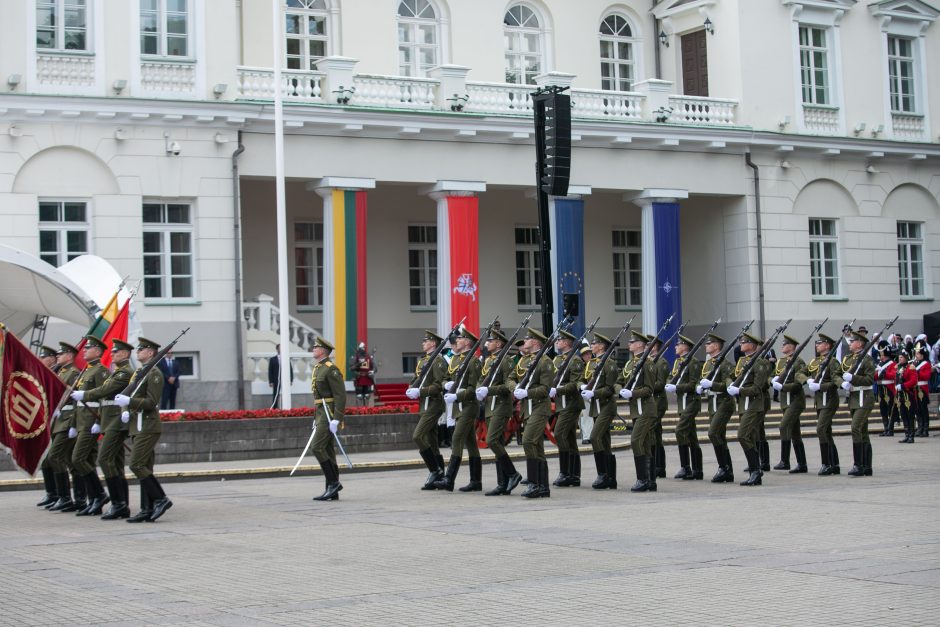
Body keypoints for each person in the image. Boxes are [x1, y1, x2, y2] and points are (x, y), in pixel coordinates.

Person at [115, 337, 171, 522]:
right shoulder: (139, 372)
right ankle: (146, 509)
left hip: (147, 425)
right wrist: (125, 408)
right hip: (136, 425)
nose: (138, 352)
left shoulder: (154, 373)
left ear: (150, 353)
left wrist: (129, 402)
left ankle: (161, 499)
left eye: (141, 349)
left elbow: (151, 402)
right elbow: (129, 394)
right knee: (144, 467)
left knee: (136, 465)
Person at [80, 339, 135, 519]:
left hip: (116, 421)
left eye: (115, 352)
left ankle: (118, 503)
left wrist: (85, 395)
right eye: (111, 352)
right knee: (116, 463)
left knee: (105, 459)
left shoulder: (125, 373)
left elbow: (105, 390)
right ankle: (122, 505)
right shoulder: (116, 372)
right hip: (108, 419)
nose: (111, 354)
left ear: (125, 354)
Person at [476, 328, 523, 495]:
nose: (487, 343)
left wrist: (489, 390)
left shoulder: (507, 361)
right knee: (498, 443)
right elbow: (481, 380)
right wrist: (479, 390)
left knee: (492, 440)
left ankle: (513, 474)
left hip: (501, 406)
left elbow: (507, 386)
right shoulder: (488, 361)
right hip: (489, 407)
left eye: (490, 341)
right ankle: (502, 484)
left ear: (499, 343)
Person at [436, 327, 484, 492]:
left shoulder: (474, 361)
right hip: (458, 408)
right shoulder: (456, 359)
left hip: (469, 407)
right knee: (471, 443)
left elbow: (473, 388)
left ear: (468, 342)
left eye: (461, 338)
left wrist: (457, 396)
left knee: (456, 439)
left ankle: (449, 479)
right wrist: (446, 385)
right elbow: (446, 379)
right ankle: (476, 481)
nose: (458, 340)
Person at [69, 336, 111, 516]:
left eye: (89, 348)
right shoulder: (86, 371)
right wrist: (72, 424)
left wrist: (98, 421)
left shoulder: (101, 371)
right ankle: (94, 499)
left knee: (77, 459)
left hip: (90, 422)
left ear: (98, 351)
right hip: (80, 421)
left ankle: (100, 494)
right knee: (85, 461)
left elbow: (104, 397)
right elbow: (77, 404)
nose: (84, 350)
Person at [511, 328, 555, 498]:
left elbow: (545, 389)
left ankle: (534, 483)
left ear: (536, 342)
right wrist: (514, 387)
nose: (525, 341)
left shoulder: (545, 362)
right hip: (526, 409)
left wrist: (527, 393)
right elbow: (510, 377)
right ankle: (543, 487)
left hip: (539, 407)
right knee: (537, 446)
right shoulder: (524, 361)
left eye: (528, 339)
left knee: (528, 441)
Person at [617, 330, 661, 492]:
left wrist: (632, 393)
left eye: (632, 342)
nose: (629, 344)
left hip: (646, 409)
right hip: (636, 410)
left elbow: (649, 389)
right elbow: (619, 381)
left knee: (636, 440)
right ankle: (650, 481)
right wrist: (619, 389)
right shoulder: (630, 363)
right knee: (645, 443)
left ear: (641, 345)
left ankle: (642, 479)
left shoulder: (648, 363)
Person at [47, 342, 86, 512]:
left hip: (68, 419)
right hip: (59, 419)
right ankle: (70, 498)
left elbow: (71, 400)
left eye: (61, 354)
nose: (58, 357)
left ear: (70, 356)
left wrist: (72, 424)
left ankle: (68, 497)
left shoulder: (73, 373)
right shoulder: (62, 372)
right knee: (69, 460)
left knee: (55, 457)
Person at [406, 330, 447, 489]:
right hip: (424, 404)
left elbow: (438, 385)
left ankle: (434, 470)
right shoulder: (423, 361)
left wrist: (420, 391)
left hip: (434, 404)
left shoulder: (438, 361)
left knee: (418, 436)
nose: (423, 343)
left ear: (433, 343)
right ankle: (440, 477)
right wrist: (411, 387)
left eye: (426, 341)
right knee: (431, 441)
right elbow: (417, 379)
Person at [309, 337, 347, 501]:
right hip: (320, 412)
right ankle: (332, 490)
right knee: (329, 451)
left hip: (328, 413)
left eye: (316, 347)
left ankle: (333, 483)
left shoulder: (331, 369)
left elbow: (340, 395)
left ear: (323, 351)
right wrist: (315, 418)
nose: (313, 348)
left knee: (316, 447)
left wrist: (337, 418)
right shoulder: (318, 368)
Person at [580, 333, 619, 489]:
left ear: (602, 346)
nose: (592, 346)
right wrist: (582, 386)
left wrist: (594, 393)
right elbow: (585, 379)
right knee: (604, 440)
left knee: (595, 436)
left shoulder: (609, 364)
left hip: (607, 406)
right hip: (596, 406)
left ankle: (602, 474)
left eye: (595, 343)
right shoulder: (592, 363)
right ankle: (611, 478)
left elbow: (610, 389)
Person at [549, 329, 586, 487]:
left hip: (571, 404)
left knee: (559, 433)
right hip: (560, 404)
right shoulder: (557, 359)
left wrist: (558, 389)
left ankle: (565, 472)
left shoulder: (575, 360)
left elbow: (574, 384)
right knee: (570, 439)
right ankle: (574, 475)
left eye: (560, 340)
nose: (557, 342)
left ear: (567, 342)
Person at [664, 334, 703, 480]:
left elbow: (692, 384)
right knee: (691, 436)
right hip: (683, 403)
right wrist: (670, 384)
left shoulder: (692, 362)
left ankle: (686, 467)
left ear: (685, 346)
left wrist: (676, 387)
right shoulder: (678, 362)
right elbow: (672, 376)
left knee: (680, 431)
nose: (676, 347)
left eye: (678, 344)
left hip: (692, 402)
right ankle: (697, 470)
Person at [699, 333, 735, 483]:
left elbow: (727, 386)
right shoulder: (708, 364)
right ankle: (728, 470)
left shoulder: (726, 364)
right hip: (712, 403)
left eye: (709, 344)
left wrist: (711, 385)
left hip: (724, 403)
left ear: (716, 346)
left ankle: (723, 467)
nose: (706, 346)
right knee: (720, 436)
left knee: (713, 433)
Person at [805, 333, 843, 475]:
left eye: (820, 343)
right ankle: (835, 464)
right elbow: (801, 373)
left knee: (820, 429)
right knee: (826, 431)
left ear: (827, 345)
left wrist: (820, 386)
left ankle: (826, 463)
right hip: (820, 401)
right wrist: (807, 380)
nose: (817, 345)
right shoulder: (815, 361)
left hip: (830, 400)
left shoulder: (833, 362)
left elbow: (834, 382)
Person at [840, 330, 876, 476]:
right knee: (863, 432)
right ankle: (867, 466)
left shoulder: (866, 359)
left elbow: (869, 380)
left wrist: (853, 378)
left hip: (865, 397)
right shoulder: (850, 358)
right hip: (854, 398)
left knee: (855, 428)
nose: (850, 343)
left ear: (860, 343)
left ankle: (858, 465)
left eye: (853, 341)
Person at [771, 335, 808, 473]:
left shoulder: (798, 362)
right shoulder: (780, 362)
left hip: (795, 401)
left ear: (792, 346)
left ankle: (784, 461)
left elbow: (798, 385)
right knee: (795, 433)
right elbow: (773, 375)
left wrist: (783, 387)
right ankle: (802, 464)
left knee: (783, 426)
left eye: (785, 344)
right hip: (785, 402)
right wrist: (772, 380)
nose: (782, 346)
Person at [35, 345, 61, 507]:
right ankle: (51, 493)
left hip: (59, 420)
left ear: (51, 359)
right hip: (46, 420)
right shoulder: (44, 374)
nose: (41, 360)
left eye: (44, 357)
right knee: (45, 458)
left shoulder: (59, 373)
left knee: (55, 458)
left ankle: (61, 495)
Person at [647, 336, 670, 478]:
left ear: (656, 346)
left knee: (652, 432)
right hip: (652, 402)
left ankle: (657, 465)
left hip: (659, 402)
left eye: (649, 344)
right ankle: (659, 467)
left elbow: (660, 384)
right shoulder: (649, 361)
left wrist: (645, 386)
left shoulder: (661, 362)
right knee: (656, 434)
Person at [895, 350, 918, 443]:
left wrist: (903, 386)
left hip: (908, 394)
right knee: (903, 415)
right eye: (899, 357)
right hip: (901, 394)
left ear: (906, 358)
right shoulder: (898, 367)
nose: (899, 359)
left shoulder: (910, 367)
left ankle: (911, 436)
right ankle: (907, 434)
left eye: (901, 357)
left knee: (910, 415)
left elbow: (913, 381)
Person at [875, 347, 897, 437]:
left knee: (890, 408)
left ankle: (890, 429)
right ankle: (886, 428)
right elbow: (875, 376)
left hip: (889, 388)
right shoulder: (880, 364)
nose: (881, 356)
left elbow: (893, 375)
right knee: (883, 409)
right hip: (880, 387)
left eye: (882, 355)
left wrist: (884, 373)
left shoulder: (892, 364)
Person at [912, 346, 931, 437]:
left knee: (923, 409)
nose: (916, 355)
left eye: (918, 354)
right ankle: (920, 428)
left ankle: (925, 429)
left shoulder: (926, 364)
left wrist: (917, 372)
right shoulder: (914, 364)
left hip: (922, 388)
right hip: (916, 388)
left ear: (922, 355)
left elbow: (926, 376)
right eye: (916, 354)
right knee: (918, 409)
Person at [577, 344, 594, 444]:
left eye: (589, 353)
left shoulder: (595, 364)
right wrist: (582, 386)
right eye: (585, 354)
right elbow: (578, 380)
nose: (588, 356)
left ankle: (592, 435)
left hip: (594, 393)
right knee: (585, 415)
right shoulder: (580, 367)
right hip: (583, 394)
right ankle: (586, 436)